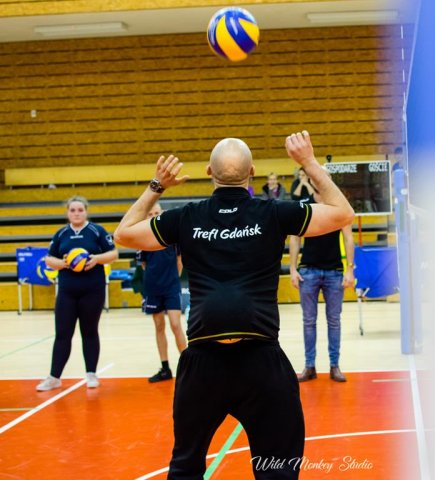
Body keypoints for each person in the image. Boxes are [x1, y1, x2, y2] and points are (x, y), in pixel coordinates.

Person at [113, 131, 354, 479]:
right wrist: (308, 162)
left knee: (185, 469)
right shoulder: (273, 213)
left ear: (209, 172)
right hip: (260, 363)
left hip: (204, 365)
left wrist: (157, 185)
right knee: (278, 470)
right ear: (252, 172)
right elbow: (343, 213)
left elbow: (123, 233)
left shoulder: (187, 217)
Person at [36, 195, 119, 391]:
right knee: (62, 334)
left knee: (89, 331)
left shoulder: (96, 231)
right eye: (72, 210)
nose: (76, 213)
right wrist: (64, 263)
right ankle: (54, 377)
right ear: (67, 212)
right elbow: (49, 259)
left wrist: (96, 259)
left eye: (80, 210)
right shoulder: (61, 234)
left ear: (86, 211)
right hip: (67, 291)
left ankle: (91, 374)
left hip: (93, 290)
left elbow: (114, 254)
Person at [289, 190, 355, 383]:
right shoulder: (304, 205)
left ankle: (335, 366)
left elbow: (348, 237)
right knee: (308, 321)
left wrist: (349, 269)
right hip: (308, 271)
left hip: (334, 271)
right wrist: (292, 268)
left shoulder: (338, 205)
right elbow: (295, 238)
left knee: (334, 321)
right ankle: (309, 366)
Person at [137, 203, 187, 383]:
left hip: (171, 287)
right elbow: (144, 265)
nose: (153, 216)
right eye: (150, 213)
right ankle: (165, 368)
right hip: (153, 288)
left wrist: (172, 280)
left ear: (162, 214)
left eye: (156, 213)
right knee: (159, 326)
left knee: (175, 324)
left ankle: (187, 366)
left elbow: (180, 261)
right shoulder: (143, 239)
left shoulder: (173, 237)